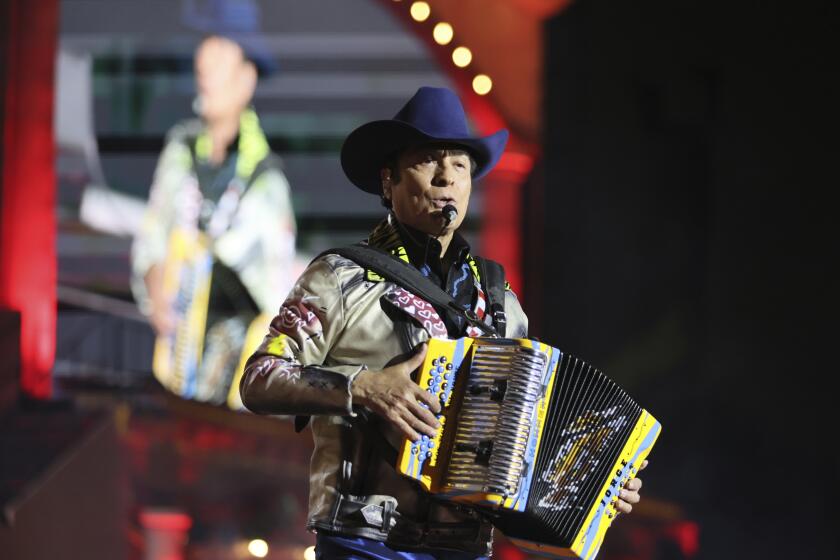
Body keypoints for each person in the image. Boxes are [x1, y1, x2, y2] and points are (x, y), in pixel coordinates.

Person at [240, 87, 645, 559]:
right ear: (387, 182)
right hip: (364, 543)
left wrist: (590, 487)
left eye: (459, 164)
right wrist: (362, 387)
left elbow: (519, 443)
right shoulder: (338, 278)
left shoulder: (500, 304)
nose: (445, 177)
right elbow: (258, 379)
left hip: (466, 548)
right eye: (428, 160)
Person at [131, 35, 296, 408]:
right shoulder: (180, 149)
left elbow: (273, 299)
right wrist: (157, 287)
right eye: (201, 63)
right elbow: (152, 236)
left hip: (230, 386)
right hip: (169, 355)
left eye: (219, 61)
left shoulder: (267, 181)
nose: (204, 74)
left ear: (246, 79)